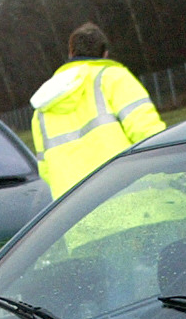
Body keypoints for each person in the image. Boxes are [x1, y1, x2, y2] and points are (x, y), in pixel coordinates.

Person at [28, 23, 166, 199]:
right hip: (134, 199)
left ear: (71, 53)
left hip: (76, 212)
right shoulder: (113, 77)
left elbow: (46, 170)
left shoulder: (43, 104)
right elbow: (149, 135)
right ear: (105, 53)